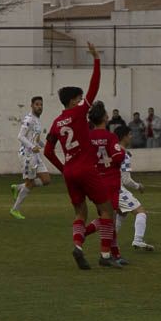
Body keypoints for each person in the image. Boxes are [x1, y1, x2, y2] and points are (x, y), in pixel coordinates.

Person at [42, 43, 114, 270]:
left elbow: (47, 151)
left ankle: (78, 246)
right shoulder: (80, 111)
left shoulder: (55, 123)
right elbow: (95, 86)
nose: (83, 100)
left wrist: (64, 168)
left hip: (70, 171)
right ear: (74, 100)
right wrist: (96, 59)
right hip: (86, 168)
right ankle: (104, 255)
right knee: (106, 210)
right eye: (80, 98)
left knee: (80, 212)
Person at [84, 101, 128, 266]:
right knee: (108, 218)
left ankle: (115, 254)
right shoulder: (110, 137)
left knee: (108, 216)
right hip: (110, 180)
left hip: (95, 181)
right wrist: (119, 153)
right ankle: (84, 236)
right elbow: (118, 157)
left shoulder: (88, 136)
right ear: (104, 117)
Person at [10, 95, 51, 220]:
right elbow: (20, 136)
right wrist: (31, 146)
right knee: (30, 183)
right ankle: (15, 209)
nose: (39, 107)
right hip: (27, 155)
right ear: (32, 106)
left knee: (46, 180)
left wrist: (46, 145)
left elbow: (36, 138)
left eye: (41, 104)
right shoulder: (29, 119)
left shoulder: (37, 120)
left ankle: (18, 187)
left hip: (35, 155)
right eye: (37, 104)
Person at [115, 125, 154, 250]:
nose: (131, 137)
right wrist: (138, 186)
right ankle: (137, 240)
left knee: (122, 213)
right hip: (117, 189)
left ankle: (109, 241)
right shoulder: (124, 155)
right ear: (124, 137)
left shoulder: (112, 150)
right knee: (141, 212)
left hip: (105, 188)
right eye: (130, 134)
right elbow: (126, 180)